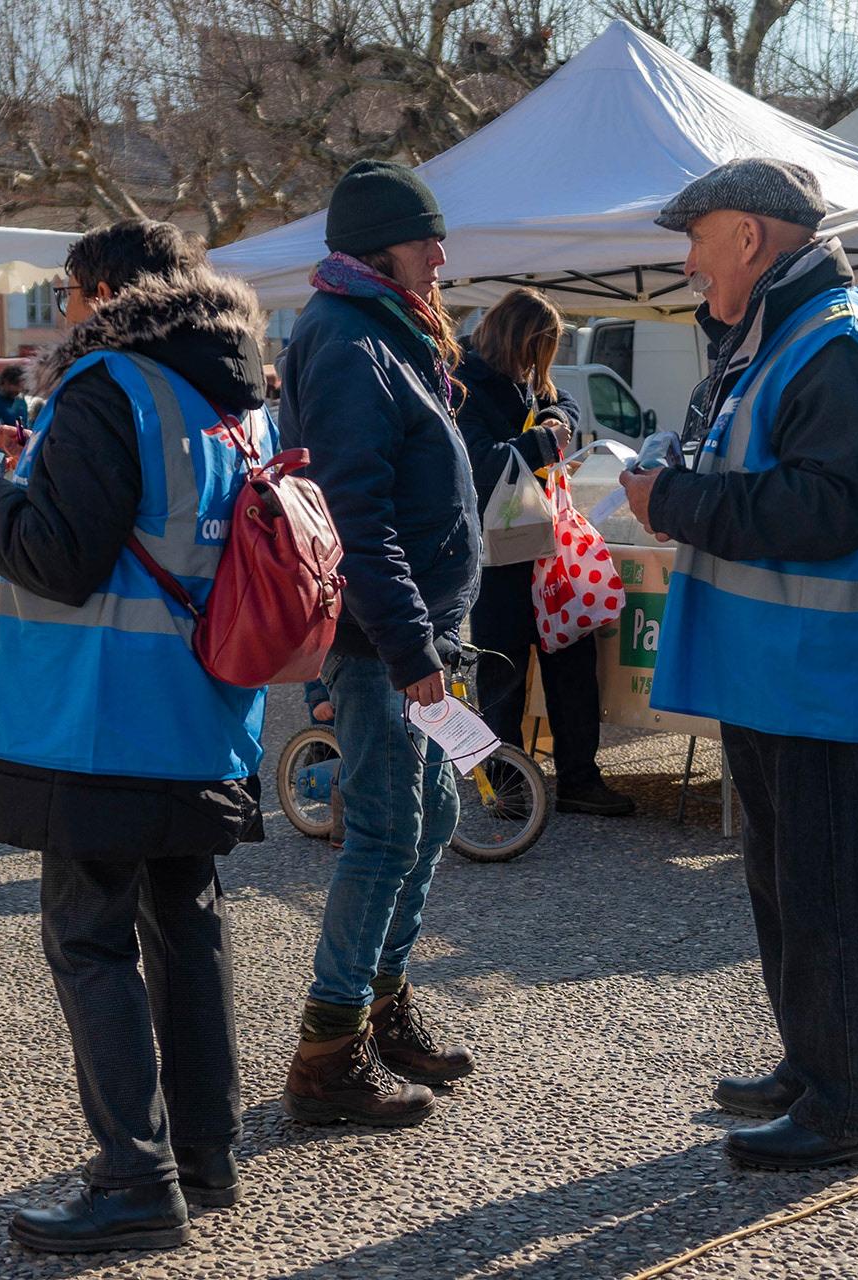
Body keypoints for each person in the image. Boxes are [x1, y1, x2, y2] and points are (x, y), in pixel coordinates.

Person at [0, 220, 267, 1253]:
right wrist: (31, 468)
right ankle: (205, 1152)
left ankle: (133, 1175)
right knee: (187, 921)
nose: (65, 311)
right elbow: (144, 519)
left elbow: (57, 554)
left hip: (99, 713)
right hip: (203, 711)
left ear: (104, 291)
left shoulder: (105, 383)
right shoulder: (228, 393)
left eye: (68, 292)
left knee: (90, 937)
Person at [617, 159, 858, 1171]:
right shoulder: (785, 337)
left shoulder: (836, 343)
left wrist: (674, 503)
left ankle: (845, 1106)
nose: (690, 264)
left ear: (747, 235)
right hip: (776, 666)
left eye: (697, 239)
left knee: (825, 890)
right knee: (786, 880)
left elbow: (830, 511)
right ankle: (814, 1064)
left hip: (813, 671)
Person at [277, 159, 479, 1129]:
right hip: (382, 642)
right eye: (426, 239)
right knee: (389, 830)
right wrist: (415, 651)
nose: (442, 254)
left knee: (432, 816)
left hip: (411, 633)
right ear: (377, 249)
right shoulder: (351, 337)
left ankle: (382, 1010)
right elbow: (358, 516)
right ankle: (328, 1049)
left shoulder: (378, 328)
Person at [459, 287, 633, 817]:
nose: (542, 365)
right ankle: (507, 786)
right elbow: (477, 464)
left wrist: (557, 418)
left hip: (544, 551)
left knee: (573, 665)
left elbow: (565, 402)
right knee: (502, 675)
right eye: (541, 352)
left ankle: (579, 779)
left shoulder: (526, 380)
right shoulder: (464, 385)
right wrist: (540, 443)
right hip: (497, 555)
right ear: (521, 341)